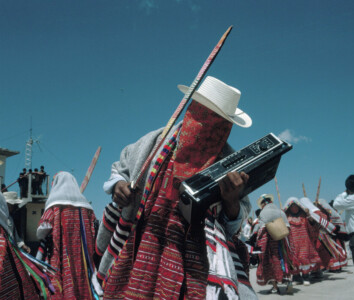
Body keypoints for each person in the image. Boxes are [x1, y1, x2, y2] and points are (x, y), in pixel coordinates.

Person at [97, 76, 256, 299]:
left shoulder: (230, 161)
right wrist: (118, 185)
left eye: (217, 120)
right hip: (144, 241)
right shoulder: (154, 142)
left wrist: (231, 202)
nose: (207, 123)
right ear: (191, 109)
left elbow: (237, 220)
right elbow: (121, 167)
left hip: (197, 257)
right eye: (202, 113)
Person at [36, 171, 101, 299]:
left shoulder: (54, 206)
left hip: (61, 257)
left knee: (63, 284)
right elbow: (95, 228)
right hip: (83, 260)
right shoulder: (86, 208)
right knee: (84, 282)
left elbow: (42, 230)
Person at [0, 191, 45, 299]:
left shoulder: (9, 219)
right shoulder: (5, 220)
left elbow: (15, 236)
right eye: (12, 205)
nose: (13, 208)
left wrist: (23, 245)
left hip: (13, 250)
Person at [283, 197, 321, 286]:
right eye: (292, 206)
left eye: (296, 206)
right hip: (292, 241)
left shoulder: (304, 215)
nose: (294, 208)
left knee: (304, 258)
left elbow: (312, 226)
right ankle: (297, 277)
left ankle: (305, 277)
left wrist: (309, 216)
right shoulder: (285, 216)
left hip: (305, 241)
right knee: (294, 259)